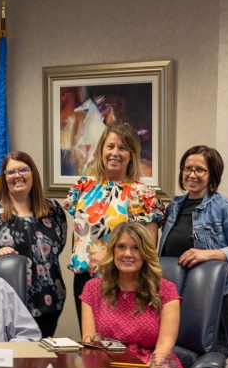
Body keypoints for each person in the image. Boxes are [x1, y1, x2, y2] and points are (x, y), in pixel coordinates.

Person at [159, 145, 228, 368]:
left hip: (215, 302)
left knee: (208, 366)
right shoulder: (173, 207)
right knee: (175, 360)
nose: (192, 174)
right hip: (174, 301)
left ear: (212, 175)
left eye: (200, 169)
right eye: (188, 168)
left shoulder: (225, 208)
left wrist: (208, 254)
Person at [63, 122, 164, 325]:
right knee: (90, 344)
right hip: (84, 280)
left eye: (122, 147)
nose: (115, 153)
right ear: (101, 150)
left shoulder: (141, 194)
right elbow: (80, 234)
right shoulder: (84, 187)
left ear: (131, 155)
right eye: (110, 146)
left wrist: (109, 259)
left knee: (118, 346)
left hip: (122, 282)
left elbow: (148, 249)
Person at [81, 222, 187, 368]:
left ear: (145, 253)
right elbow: (89, 341)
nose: (128, 254)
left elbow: (164, 346)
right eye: (121, 247)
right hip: (109, 367)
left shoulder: (166, 290)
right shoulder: (93, 288)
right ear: (113, 251)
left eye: (136, 248)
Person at [0, 151, 67, 337]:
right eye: (11, 172)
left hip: (49, 302)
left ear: (33, 173)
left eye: (23, 169)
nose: (17, 176)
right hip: (6, 304)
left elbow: (59, 245)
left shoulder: (53, 209)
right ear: (4, 178)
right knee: (11, 361)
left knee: (40, 359)